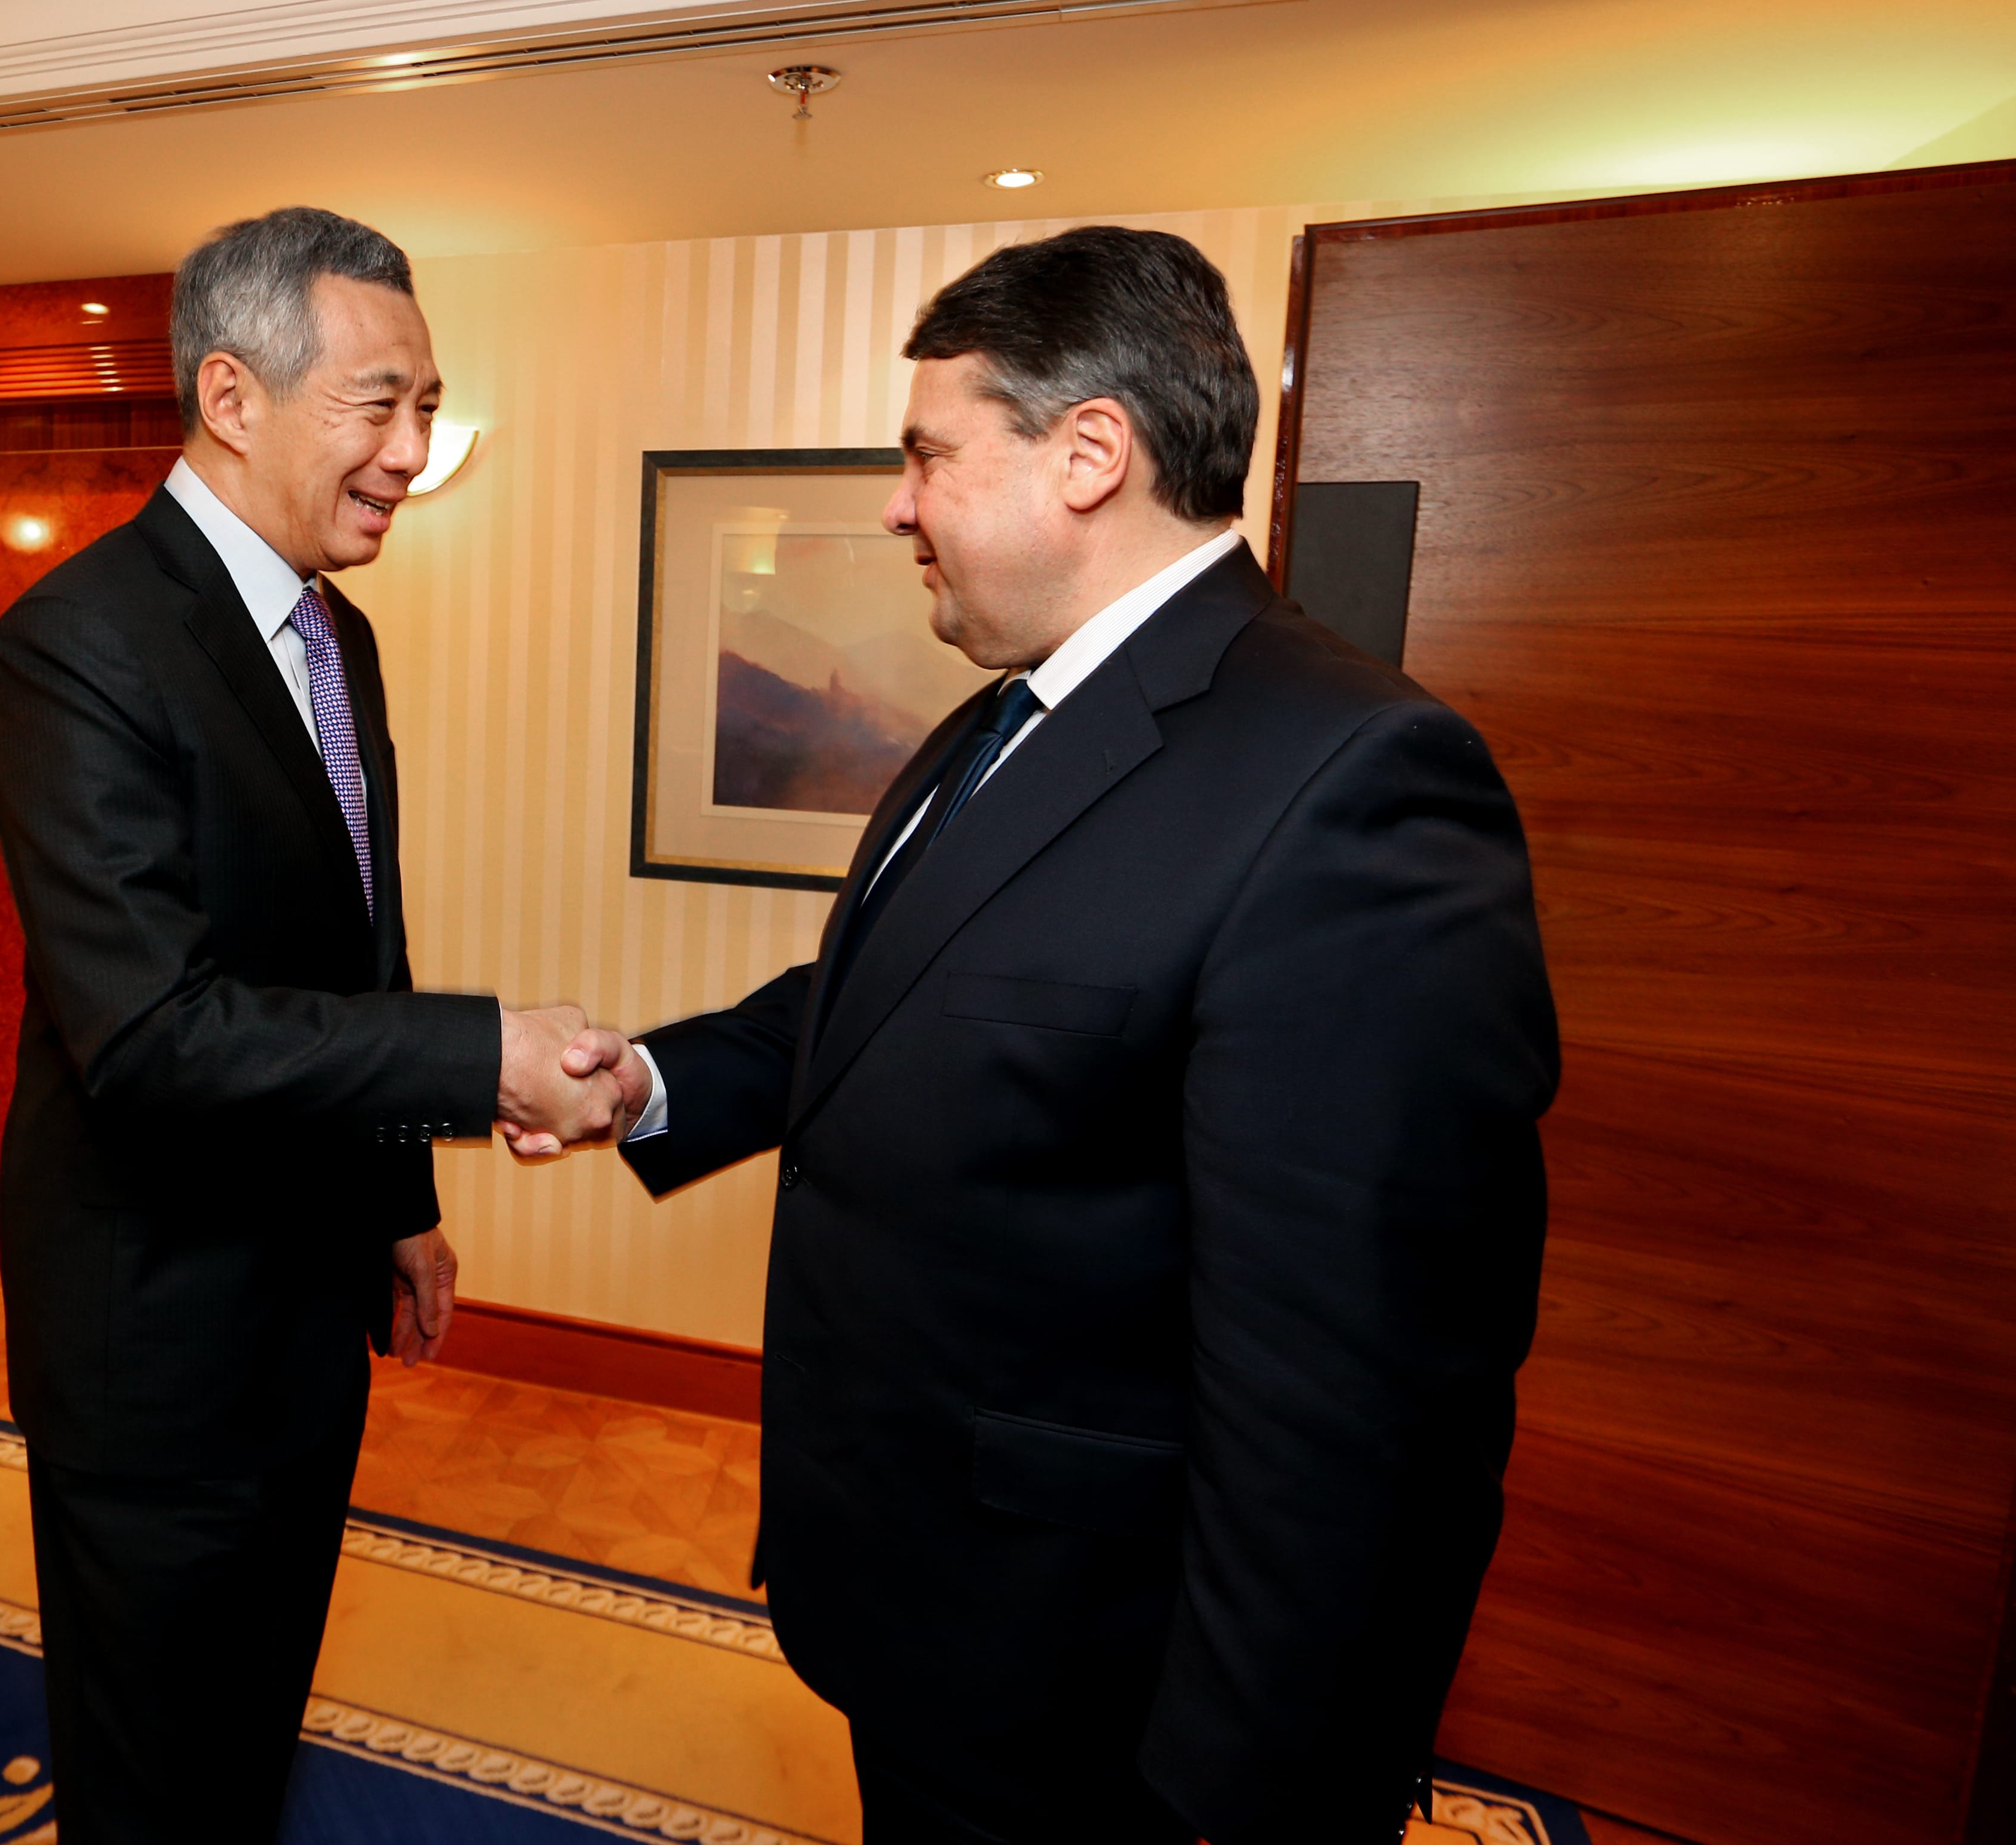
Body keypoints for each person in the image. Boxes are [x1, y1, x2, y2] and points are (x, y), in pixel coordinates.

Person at [552, 227, 1558, 1844]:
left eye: (927, 453)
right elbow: (892, 1004)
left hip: (1114, 1692)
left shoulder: (1350, 777)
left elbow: (1359, 1396)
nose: (896, 503)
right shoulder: (1005, 712)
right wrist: (659, 1082)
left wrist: (1249, 1788)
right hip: (941, 1612)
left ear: (1091, 453)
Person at [0, 205, 616, 1845]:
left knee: (245, 1729)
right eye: (383, 403)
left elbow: (355, 957)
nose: (416, 450)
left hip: (298, 1308)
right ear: (233, 397)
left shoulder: (342, 638)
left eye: (430, 405)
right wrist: (485, 1059)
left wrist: (398, 1201)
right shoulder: (76, 644)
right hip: (154, 1338)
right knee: (152, 1777)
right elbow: (154, 1034)